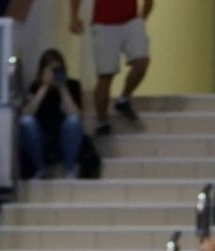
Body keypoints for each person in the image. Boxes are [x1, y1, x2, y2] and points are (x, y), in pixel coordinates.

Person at [74, 0, 152, 135]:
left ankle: (123, 99)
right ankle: (102, 121)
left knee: (142, 62)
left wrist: (142, 19)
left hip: (131, 20)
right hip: (103, 24)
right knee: (105, 75)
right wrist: (73, 17)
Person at [21, 49, 86, 179]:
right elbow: (26, 114)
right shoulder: (35, 87)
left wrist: (62, 88)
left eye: (58, 70)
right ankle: (39, 169)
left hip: (64, 139)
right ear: (42, 71)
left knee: (73, 121)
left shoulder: (73, 85)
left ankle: (69, 169)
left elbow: (77, 116)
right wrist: (44, 87)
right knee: (26, 122)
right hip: (42, 140)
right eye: (51, 70)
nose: (54, 74)